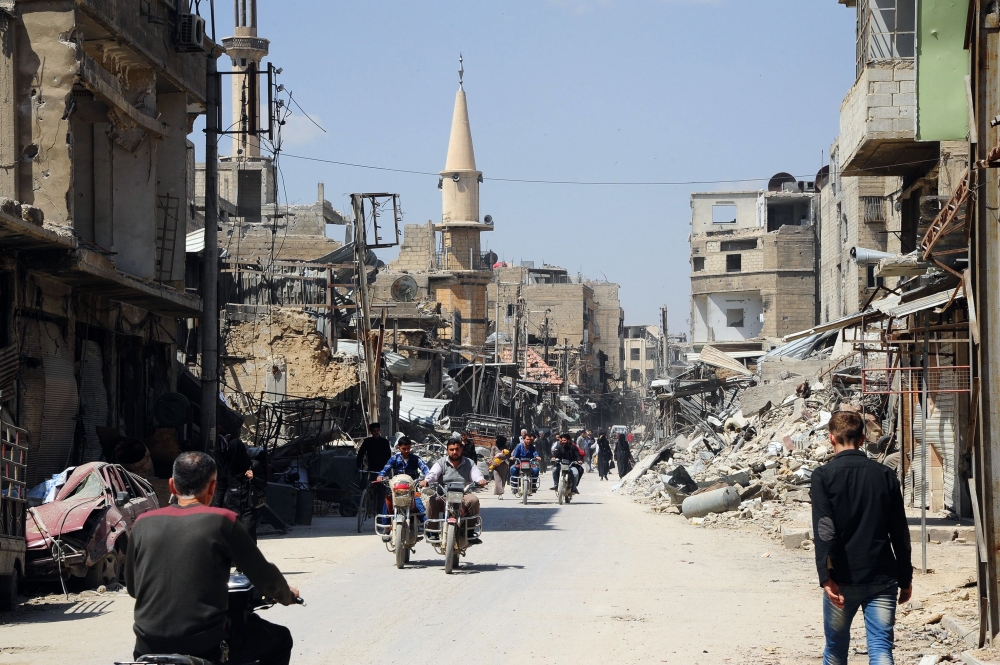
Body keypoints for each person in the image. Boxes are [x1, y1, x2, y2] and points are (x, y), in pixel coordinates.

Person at [126, 452, 299, 665]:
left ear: (172, 485)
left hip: (146, 646)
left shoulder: (142, 523)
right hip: (205, 646)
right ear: (213, 487)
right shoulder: (224, 521)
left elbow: (134, 588)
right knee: (280, 639)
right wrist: (285, 594)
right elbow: (265, 577)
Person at [811, 410, 912, 665]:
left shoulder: (823, 476)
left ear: (831, 438)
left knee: (835, 651)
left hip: (842, 580)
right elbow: (899, 531)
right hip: (882, 577)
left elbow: (825, 530)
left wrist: (826, 576)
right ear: (863, 438)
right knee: (880, 649)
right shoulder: (885, 475)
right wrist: (905, 578)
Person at [422, 439, 488, 543]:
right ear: (447, 450)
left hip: (463, 495)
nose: (454, 452)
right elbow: (433, 474)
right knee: (431, 501)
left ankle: (470, 532)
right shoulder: (441, 462)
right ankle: (433, 532)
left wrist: (480, 480)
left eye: (457, 449)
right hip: (443, 495)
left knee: (474, 500)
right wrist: (426, 481)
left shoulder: (469, 463)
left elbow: (476, 474)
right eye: (451, 449)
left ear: (461, 449)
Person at [212, 435, 266, 541]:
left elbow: (263, 484)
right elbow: (221, 490)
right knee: (232, 538)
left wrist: (253, 478)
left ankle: (249, 557)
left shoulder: (253, 466)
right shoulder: (226, 469)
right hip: (230, 506)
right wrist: (217, 508)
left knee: (248, 535)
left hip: (248, 506)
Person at [376, 436, 429, 516]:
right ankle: (385, 527)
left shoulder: (416, 459)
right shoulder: (394, 459)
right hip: (397, 489)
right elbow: (386, 469)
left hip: (412, 489)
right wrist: (381, 476)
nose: (407, 451)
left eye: (408, 448)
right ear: (399, 448)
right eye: (404, 448)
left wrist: (427, 479)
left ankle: (426, 525)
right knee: (387, 502)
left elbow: (425, 469)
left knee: (420, 506)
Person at [357, 422, 392, 508]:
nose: (376, 432)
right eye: (374, 431)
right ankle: (369, 505)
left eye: (378, 430)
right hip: (371, 468)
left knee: (381, 491)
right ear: (371, 432)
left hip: (382, 470)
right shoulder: (367, 441)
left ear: (380, 431)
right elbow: (360, 454)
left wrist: (388, 469)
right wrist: (358, 465)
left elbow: (388, 456)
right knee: (368, 487)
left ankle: (379, 512)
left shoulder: (385, 442)